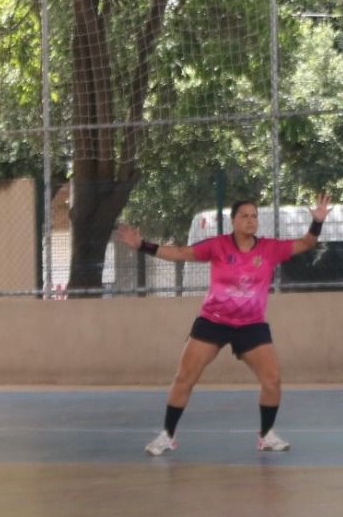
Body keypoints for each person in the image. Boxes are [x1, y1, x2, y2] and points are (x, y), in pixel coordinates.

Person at [117, 194, 330, 456]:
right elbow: (182, 253)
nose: (251, 220)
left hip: (251, 324)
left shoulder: (270, 248)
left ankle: (266, 436)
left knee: (273, 380)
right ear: (233, 221)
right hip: (213, 321)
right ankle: (167, 436)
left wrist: (317, 222)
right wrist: (142, 245)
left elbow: (307, 243)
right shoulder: (218, 245)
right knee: (184, 378)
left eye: (254, 216)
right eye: (245, 216)